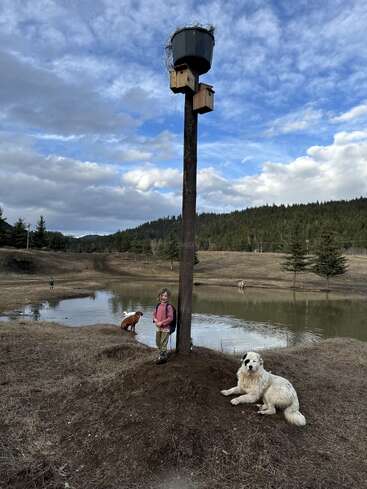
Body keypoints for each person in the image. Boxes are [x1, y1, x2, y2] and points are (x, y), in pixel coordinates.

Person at [153, 287, 174, 365]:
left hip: (165, 328)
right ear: (159, 296)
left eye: (165, 296)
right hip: (158, 328)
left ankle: (163, 357)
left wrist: (162, 323)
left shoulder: (169, 307)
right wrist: (155, 320)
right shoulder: (158, 305)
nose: (163, 297)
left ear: (168, 297)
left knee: (163, 342)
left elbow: (170, 318)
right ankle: (160, 354)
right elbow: (154, 314)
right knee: (158, 342)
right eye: (162, 295)